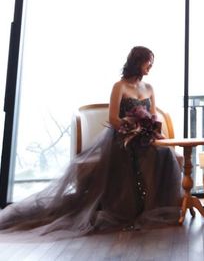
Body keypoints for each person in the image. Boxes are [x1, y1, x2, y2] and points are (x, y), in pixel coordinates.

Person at [0, 46, 181, 236]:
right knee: (133, 154)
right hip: (122, 136)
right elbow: (113, 118)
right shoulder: (119, 86)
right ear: (137, 62)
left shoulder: (149, 88)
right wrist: (131, 129)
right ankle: (131, 210)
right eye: (148, 62)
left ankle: (156, 207)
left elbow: (153, 116)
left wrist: (150, 131)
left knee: (165, 152)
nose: (150, 66)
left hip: (144, 136)